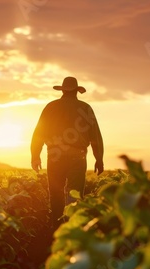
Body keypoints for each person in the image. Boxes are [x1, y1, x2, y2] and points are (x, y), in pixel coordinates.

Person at [31, 76, 104, 226]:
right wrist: (99, 158)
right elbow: (95, 136)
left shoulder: (50, 107)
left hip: (54, 155)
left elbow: (39, 133)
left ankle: (56, 227)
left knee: (56, 194)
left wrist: (35, 155)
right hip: (77, 156)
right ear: (77, 91)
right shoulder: (85, 108)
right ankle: (72, 228)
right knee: (75, 194)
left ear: (63, 90)